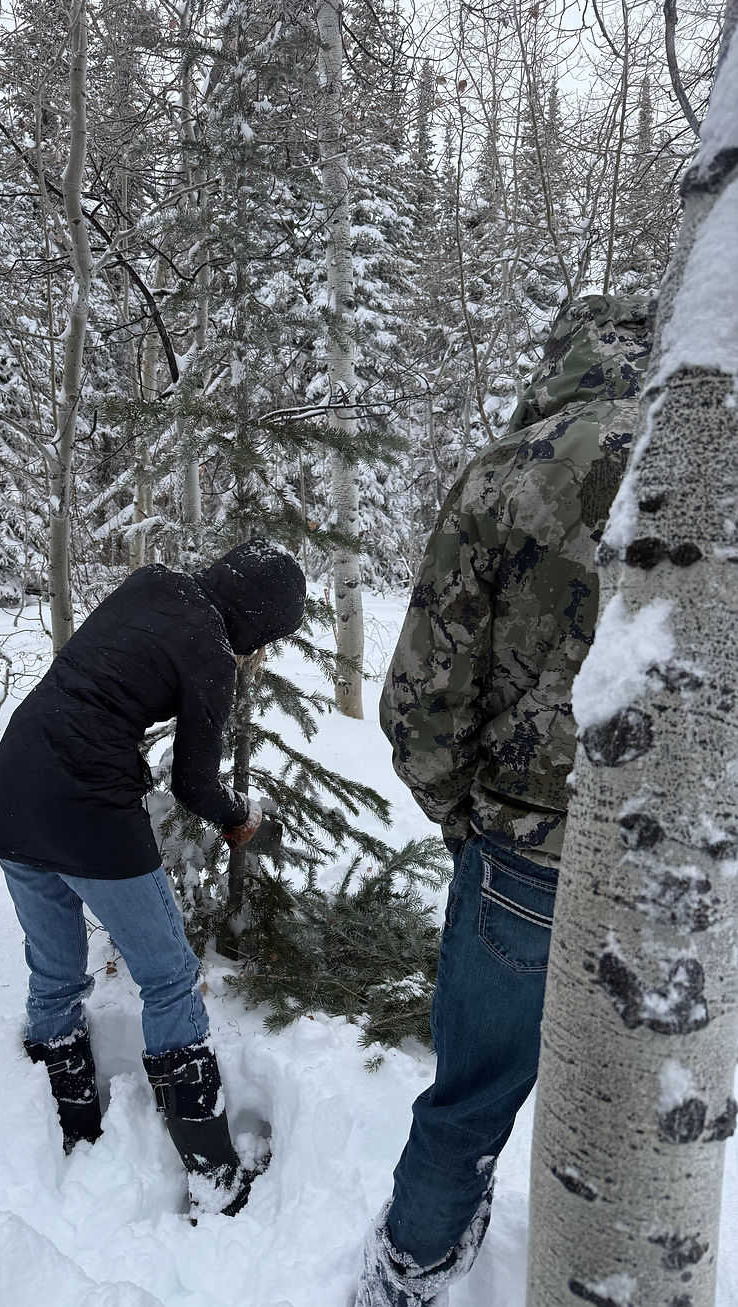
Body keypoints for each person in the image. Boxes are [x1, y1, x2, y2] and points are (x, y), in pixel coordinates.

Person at [355, 295, 654, 1307]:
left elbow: (420, 694)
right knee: (649, 1105)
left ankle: (405, 1277)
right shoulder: (705, 467)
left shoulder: (507, 471)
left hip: (526, 846)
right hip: (683, 864)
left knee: (470, 1095)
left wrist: (463, 822)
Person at [0, 538, 306, 1216]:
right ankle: (213, 1171)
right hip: (88, 804)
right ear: (254, 620)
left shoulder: (153, 579)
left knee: (58, 974)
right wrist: (238, 815)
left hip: (14, 782)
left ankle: (71, 1121)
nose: (251, 652)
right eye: (262, 638)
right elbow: (193, 782)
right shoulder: (213, 649)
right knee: (169, 975)